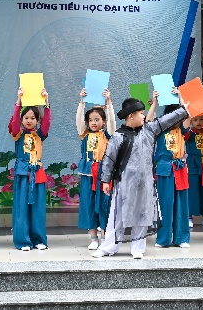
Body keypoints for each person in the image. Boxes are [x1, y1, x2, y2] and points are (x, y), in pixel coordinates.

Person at [92, 90, 189, 260]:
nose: (144, 116)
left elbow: (165, 120)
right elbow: (109, 159)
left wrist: (183, 109)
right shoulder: (118, 136)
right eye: (141, 113)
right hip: (124, 183)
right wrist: (105, 180)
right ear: (131, 116)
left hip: (145, 183)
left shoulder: (149, 130)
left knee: (142, 215)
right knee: (117, 216)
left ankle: (138, 248)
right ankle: (108, 247)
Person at [9, 87, 51, 251]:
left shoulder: (40, 135)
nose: (29, 120)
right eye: (26, 117)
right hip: (22, 173)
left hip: (37, 173)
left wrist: (46, 103)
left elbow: (46, 123)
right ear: (21, 119)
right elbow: (14, 124)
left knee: (38, 209)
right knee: (22, 208)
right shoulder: (18, 134)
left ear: (37, 120)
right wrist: (19, 101)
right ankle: (23, 241)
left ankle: (38, 239)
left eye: (33, 118)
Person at [148, 94, 191, 249]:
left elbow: (188, 113)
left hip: (180, 168)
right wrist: (155, 103)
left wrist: (180, 97)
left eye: (178, 117)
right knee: (165, 204)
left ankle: (182, 238)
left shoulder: (182, 130)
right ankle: (163, 239)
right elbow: (148, 122)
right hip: (165, 168)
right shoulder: (159, 130)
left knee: (181, 204)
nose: (175, 120)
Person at [76, 88, 115, 250]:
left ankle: (105, 236)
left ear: (103, 121)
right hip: (88, 173)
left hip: (103, 174)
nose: (93, 122)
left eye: (97, 119)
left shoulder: (108, 135)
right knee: (89, 204)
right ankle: (93, 238)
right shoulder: (84, 134)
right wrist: (81, 102)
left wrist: (109, 102)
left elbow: (112, 123)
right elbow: (79, 121)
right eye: (90, 120)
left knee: (104, 204)